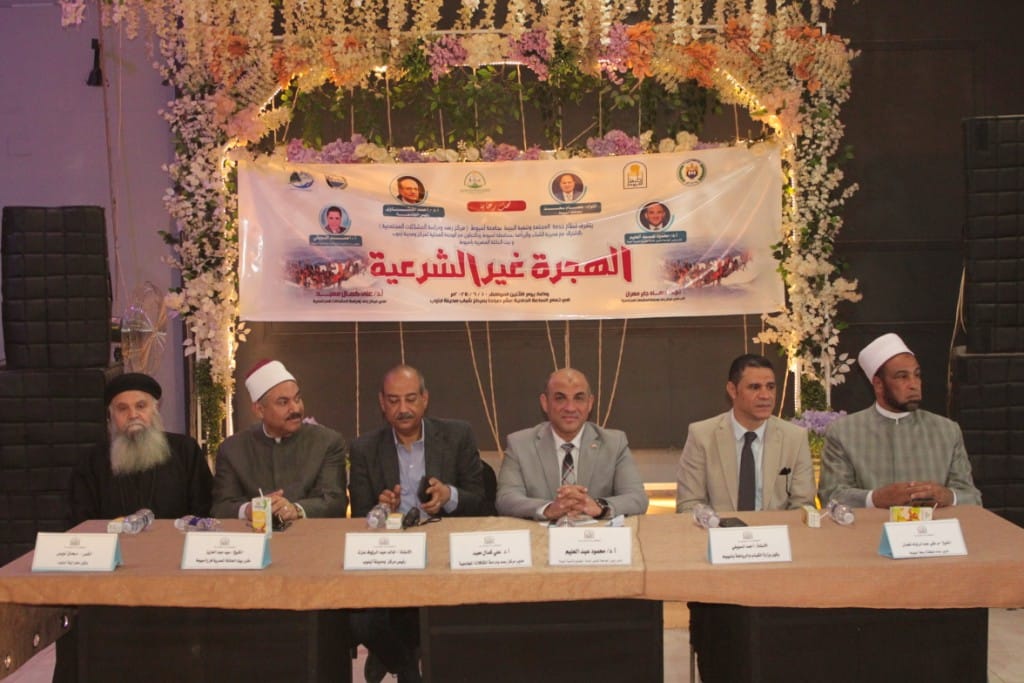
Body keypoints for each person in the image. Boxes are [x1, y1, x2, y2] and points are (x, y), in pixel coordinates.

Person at [349, 365, 490, 683]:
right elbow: (360, 515)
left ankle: (398, 658)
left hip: (444, 552)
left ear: (425, 399)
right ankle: (403, 662)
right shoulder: (364, 448)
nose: (403, 409)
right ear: (382, 403)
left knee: (425, 613)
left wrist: (448, 495)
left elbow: (480, 500)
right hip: (391, 555)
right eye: (394, 400)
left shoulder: (457, 436)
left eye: (411, 399)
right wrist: (382, 510)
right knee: (360, 621)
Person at [818, 333, 982, 508]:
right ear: (878, 384)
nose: (914, 384)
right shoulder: (844, 432)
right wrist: (875, 499)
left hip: (933, 526)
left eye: (917, 375)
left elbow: (972, 498)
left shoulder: (946, 431)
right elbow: (831, 496)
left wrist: (948, 497)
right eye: (902, 376)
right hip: (871, 526)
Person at [496, 367, 648, 520]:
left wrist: (598, 507)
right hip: (540, 534)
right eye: (560, 398)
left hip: (595, 534)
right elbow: (505, 499)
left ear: (590, 403)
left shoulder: (614, 443)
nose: (570, 408)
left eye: (579, 398)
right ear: (545, 402)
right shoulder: (519, 444)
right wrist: (548, 509)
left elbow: (637, 498)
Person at [675, 354, 815, 513]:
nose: (765, 396)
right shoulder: (702, 436)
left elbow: (803, 504)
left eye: (770, 387)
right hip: (718, 527)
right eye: (755, 387)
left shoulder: (795, 438)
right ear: (732, 390)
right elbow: (689, 503)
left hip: (778, 527)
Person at [211, 359, 347, 521]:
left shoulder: (327, 442)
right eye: (283, 402)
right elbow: (220, 507)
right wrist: (248, 510)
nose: (295, 408)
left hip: (310, 535)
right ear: (259, 410)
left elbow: (335, 502)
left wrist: (296, 510)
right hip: (254, 535)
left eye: (297, 399)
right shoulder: (233, 449)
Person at [69, 372, 212, 525]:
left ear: (155, 410)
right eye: (122, 408)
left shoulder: (186, 451)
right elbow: (82, 521)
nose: (133, 415)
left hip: (176, 540)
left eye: (141, 406)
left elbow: (204, 511)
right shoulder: (92, 461)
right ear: (111, 415)